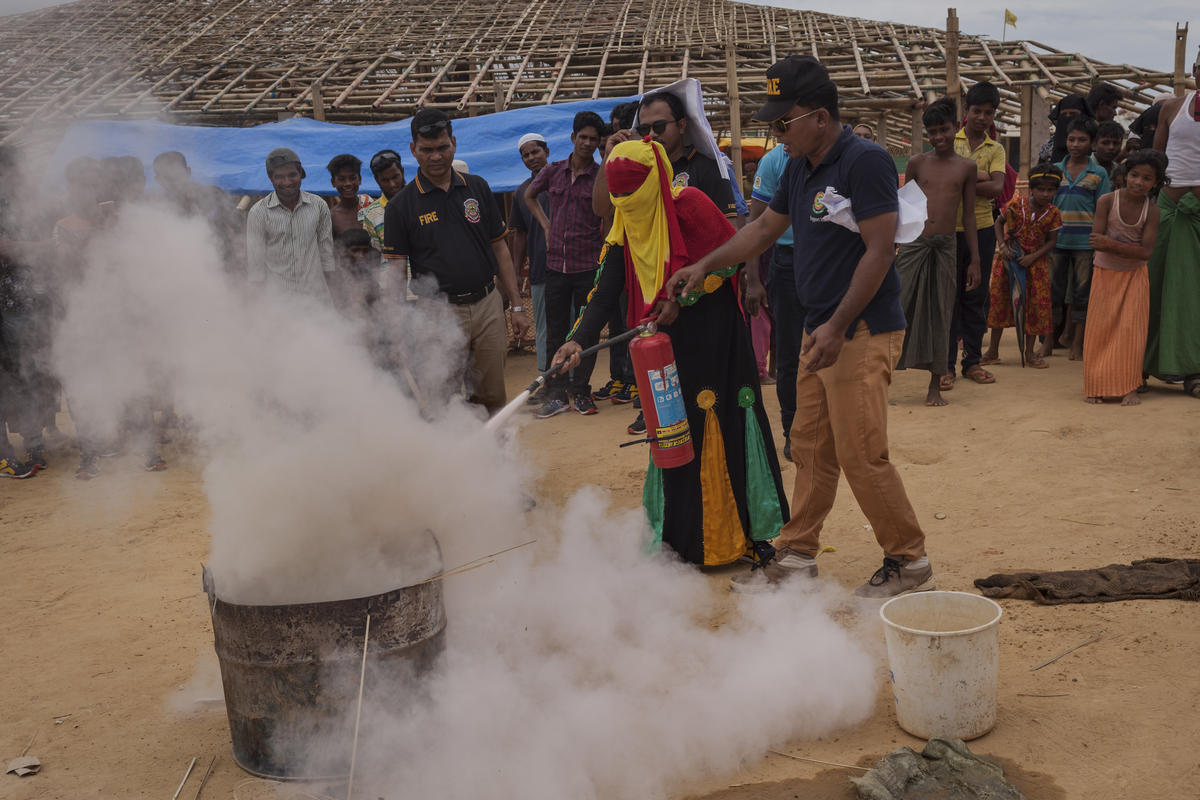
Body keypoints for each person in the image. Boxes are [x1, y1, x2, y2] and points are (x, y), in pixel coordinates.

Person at [673, 54, 932, 597]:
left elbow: (881, 250)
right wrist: (706, 264)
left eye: (781, 122)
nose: (775, 132)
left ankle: (908, 563)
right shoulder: (798, 165)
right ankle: (795, 557)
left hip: (859, 329)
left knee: (861, 451)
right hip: (823, 328)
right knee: (810, 445)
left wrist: (838, 326)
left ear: (818, 115)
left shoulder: (865, 161)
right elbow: (765, 227)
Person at [550, 138, 787, 567]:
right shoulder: (625, 219)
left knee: (722, 421)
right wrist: (577, 340)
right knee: (673, 433)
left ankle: (747, 535)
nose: (624, 202)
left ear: (655, 181)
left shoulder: (690, 204)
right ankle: (681, 539)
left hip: (716, 338)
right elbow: (605, 290)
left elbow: (731, 261)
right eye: (616, 195)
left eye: (631, 193)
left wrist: (688, 296)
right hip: (663, 345)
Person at [598, 89, 746, 434]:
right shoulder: (640, 168)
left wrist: (685, 293)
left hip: (704, 304)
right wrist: (612, 157)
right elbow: (605, 211)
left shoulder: (706, 170)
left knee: (709, 403)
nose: (651, 136)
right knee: (666, 409)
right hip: (654, 302)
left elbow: (733, 242)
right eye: (643, 129)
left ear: (682, 124)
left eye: (659, 126)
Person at [381, 109, 530, 414]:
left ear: (454, 144)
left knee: (491, 393)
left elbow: (500, 248)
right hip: (436, 312)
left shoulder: (477, 187)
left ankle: (491, 455)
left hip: (488, 304)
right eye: (427, 150)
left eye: (442, 148)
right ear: (413, 150)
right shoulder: (401, 206)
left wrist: (516, 304)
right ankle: (452, 459)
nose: (436, 157)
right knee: (442, 393)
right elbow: (395, 272)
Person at [896, 98, 979, 407]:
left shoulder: (967, 167)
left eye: (944, 130)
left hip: (946, 245)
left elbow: (968, 215)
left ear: (956, 127)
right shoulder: (917, 163)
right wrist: (896, 242)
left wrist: (976, 260)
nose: (939, 137)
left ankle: (935, 385)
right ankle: (881, 373)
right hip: (914, 243)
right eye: (932, 132)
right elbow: (903, 205)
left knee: (942, 312)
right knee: (898, 304)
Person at [525, 110, 606, 418]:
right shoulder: (553, 171)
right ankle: (557, 394)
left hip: (588, 265)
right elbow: (530, 197)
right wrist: (546, 226)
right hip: (556, 266)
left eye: (593, 139)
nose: (586, 143)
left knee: (586, 332)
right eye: (582, 137)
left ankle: (582, 392)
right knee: (556, 331)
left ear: (598, 144)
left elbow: (607, 214)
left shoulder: (600, 177)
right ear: (572, 138)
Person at [1083, 150, 1164, 405]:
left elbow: (1146, 252)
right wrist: (1121, 248)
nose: (1139, 182)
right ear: (1125, 175)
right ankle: (1095, 386)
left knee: (1132, 331)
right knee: (1100, 330)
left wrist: (1111, 244)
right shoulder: (1107, 201)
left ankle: (1129, 387)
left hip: (1135, 277)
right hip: (1105, 273)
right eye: (1135, 175)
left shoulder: (1153, 212)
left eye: (1147, 178)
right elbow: (1096, 242)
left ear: (1156, 183)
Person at [945, 80, 1005, 390]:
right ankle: (945, 366)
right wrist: (974, 180)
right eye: (977, 111)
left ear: (995, 114)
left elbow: (997, 188)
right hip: (947, 231)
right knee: (948, 299)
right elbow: (940, 182)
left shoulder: (996, 148)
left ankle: (971, 361)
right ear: (966, 111)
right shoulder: (948, 141)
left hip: (982, 230)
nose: (982, 117)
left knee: (976, 296)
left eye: (988, 112)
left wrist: (960, 183)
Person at [1146, 51, 1200, 398]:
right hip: (1168, 207)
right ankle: (1144, 365)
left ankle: (1195, 370)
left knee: (1194, 294)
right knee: (1154, 287)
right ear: (1196, 69)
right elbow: (1154, 160)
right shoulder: (1171, 107)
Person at [981, 164, 1064, 369]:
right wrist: (1002, 246)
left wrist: (1033, 257)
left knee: (1035, 307)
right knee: (1001, 302)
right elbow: (998, 224)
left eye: (1050, 190)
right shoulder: (1016, 205)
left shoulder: (1053, 213)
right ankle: (992, 350)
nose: (1045, 194)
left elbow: (1052, 242)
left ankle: (1029, 353)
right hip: (1009, 260)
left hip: (1036, 265)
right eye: (1041, 189)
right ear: (1032, 189)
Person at [749, 143, 801, 460]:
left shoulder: (845, 157)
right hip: (787, 263)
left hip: (831, 262)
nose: (780, 132)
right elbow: (758, 224)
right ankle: (792, 431)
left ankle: (834, 427)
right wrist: (753, 279)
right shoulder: (772, 162)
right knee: (788, 356)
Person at [591, 102, 639, 407]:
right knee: (622, 323)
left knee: (639, 325)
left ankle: (638, 384)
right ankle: (626, 379)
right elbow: (601, 208)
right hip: (619, 257)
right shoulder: (614, 166)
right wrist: (609, 156)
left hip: (647, 262)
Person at [1052, 117, 1111, 361]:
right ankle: (1048, 341)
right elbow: (1048, 207)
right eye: (1071, 139)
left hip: (1085, 245)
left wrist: (1099, 241)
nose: (1075, 144)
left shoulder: (1098, 173)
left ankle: (1077, 343)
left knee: (1081, 295)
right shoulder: (1055, 169)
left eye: (1082, 140)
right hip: (1056, 242)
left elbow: (1103, 209)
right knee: (1053, 293)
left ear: (1092, 143)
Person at [246, 148, 336, 305]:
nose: (287, 182)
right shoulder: (258, 213)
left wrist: (333, 298)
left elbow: (327, 257)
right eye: (279, 177)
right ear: (270, 177)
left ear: (300, 173)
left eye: (292, 175)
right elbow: (256, 268)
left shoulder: (319, 206)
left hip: (317, 300)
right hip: (278, 304)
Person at [152, 151, 245, 276]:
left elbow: (239, 227)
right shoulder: (155, 209)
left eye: (176, 176)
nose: (173, 183)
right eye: (167, 178)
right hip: (176, 274)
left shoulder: (213, 195)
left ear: (188, 172)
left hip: (221, 270)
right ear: (158, 180)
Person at [508, 132, 551, 381]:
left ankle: (576, 382)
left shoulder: (563, 181)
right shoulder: (522, 192)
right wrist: (515, 270)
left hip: (571, 268)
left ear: (547, 151)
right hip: (540, 271)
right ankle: (547, 378)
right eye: (525, 155)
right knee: (544, 327)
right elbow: (520, 234)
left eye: (535, 152)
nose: (531, 158)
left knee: (573, 324)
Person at [358, 149, 405, 252]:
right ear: (376, 180)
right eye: (385, 180)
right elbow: (376, 254)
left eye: (395, 177)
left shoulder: (422, 201)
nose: (392, 184)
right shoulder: (371, 214)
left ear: (402, 171)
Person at [326, 154, 371, 238]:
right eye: (342, 179)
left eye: (352, 178)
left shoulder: (372, 209)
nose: (348, 184)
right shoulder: (331, 217)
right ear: (333, 182)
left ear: (360, 179)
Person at [1040, 93, 1092, 164]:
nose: (1068, 118)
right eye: (1064, 114)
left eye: (1073, 114)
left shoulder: (1094, 143)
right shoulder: (1049, 146)